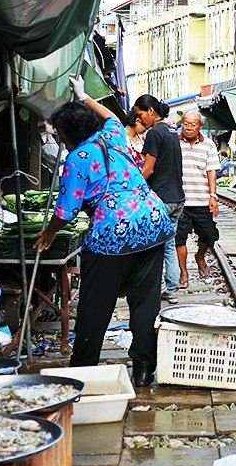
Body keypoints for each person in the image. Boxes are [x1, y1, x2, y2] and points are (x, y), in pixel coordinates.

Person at [36, 77, 174, 387]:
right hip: (151, 223)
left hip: (112, 235)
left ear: (68, 135)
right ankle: (142, 369)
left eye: (60, 134)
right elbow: (112, 116)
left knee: (95, 306)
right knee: (145, 301)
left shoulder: (76, 159)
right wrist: (84, 97)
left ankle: (83, 369)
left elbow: (66, 211)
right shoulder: (111, 136)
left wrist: (48, 234)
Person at [133, 94, 186, 304]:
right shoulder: (172, 131)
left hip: (161, 198)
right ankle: (172, 288)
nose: (139, 120)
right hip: (177, 198)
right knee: (168, 243)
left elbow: (148, 168)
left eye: (140, 115)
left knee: (151, 246)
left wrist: (132, 190)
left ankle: (148, 289)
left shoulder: (155, 133)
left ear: (151, 112)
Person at [177, 110, 221, 287]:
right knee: (179, 239)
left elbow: (211, 171)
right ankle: (184, 272)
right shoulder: (175, 142)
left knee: (208, 235)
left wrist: (213, 195)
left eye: (192, 125)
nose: (188, 128)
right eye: (185, 124)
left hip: (202, 201)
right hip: (180, 202)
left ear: (200, 126)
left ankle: (200, 256)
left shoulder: (209, 145)